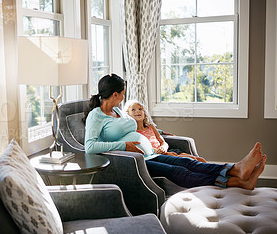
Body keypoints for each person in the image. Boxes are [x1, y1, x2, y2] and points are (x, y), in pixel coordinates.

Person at [83, 73, 266, 190]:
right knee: (179, 171)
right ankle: (237, 181)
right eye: (122, 93)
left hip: (149, 155)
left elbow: (131, 128)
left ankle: (235, 169)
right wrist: (124, 145)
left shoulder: (116, 111)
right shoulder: (95, 116)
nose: (124, 97)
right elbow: (90, 146)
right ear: (115, 95)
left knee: (189, 163)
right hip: (132, 163)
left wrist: (160, 134)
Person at [124, 99, 207, 162]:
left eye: (140, 109)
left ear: (144, 112)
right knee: (189, 160)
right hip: (156, 155)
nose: (137, 111)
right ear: (127, 114)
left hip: (166, 150)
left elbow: (162, 141)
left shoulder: (150, 126)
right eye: (133, 110)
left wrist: (164, 147)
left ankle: (215, 177)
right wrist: (163, 153)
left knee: (199, 159)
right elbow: (144, 149)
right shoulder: (133, 132)